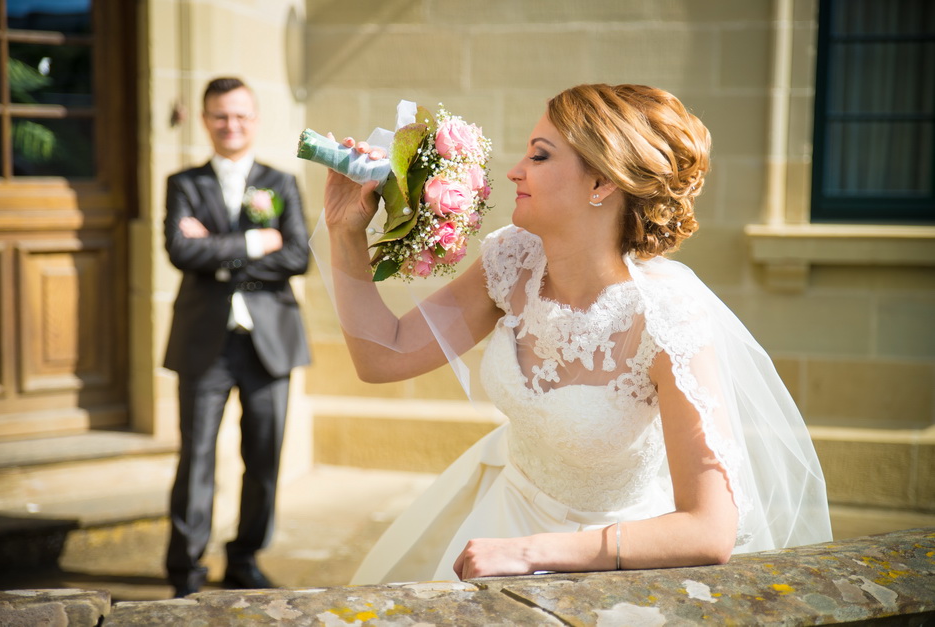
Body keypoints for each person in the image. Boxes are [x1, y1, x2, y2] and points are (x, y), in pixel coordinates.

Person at [320, 83, 832, 583]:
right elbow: (382, 358)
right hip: (500, 518)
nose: (515, 171)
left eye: (540, 157)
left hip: (606, 559)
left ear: (601, 183)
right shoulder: (511, 260)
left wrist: (531, 553)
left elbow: (710, 529)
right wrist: (345, 230)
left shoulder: (667, 320)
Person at [162, 77, 310, 597]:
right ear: (205, 119)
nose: (231, 125)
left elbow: (297, 256)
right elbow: (180, 252)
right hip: (205, 340)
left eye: (241, 116)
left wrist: (218, 250)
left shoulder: (282, 181)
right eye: (221, 116)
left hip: (269, 340)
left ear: (255, 119)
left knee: (264, 457)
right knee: (197, 456)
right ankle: (185, 568)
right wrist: (252, 240)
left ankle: (245, 557)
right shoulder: (183, 184)